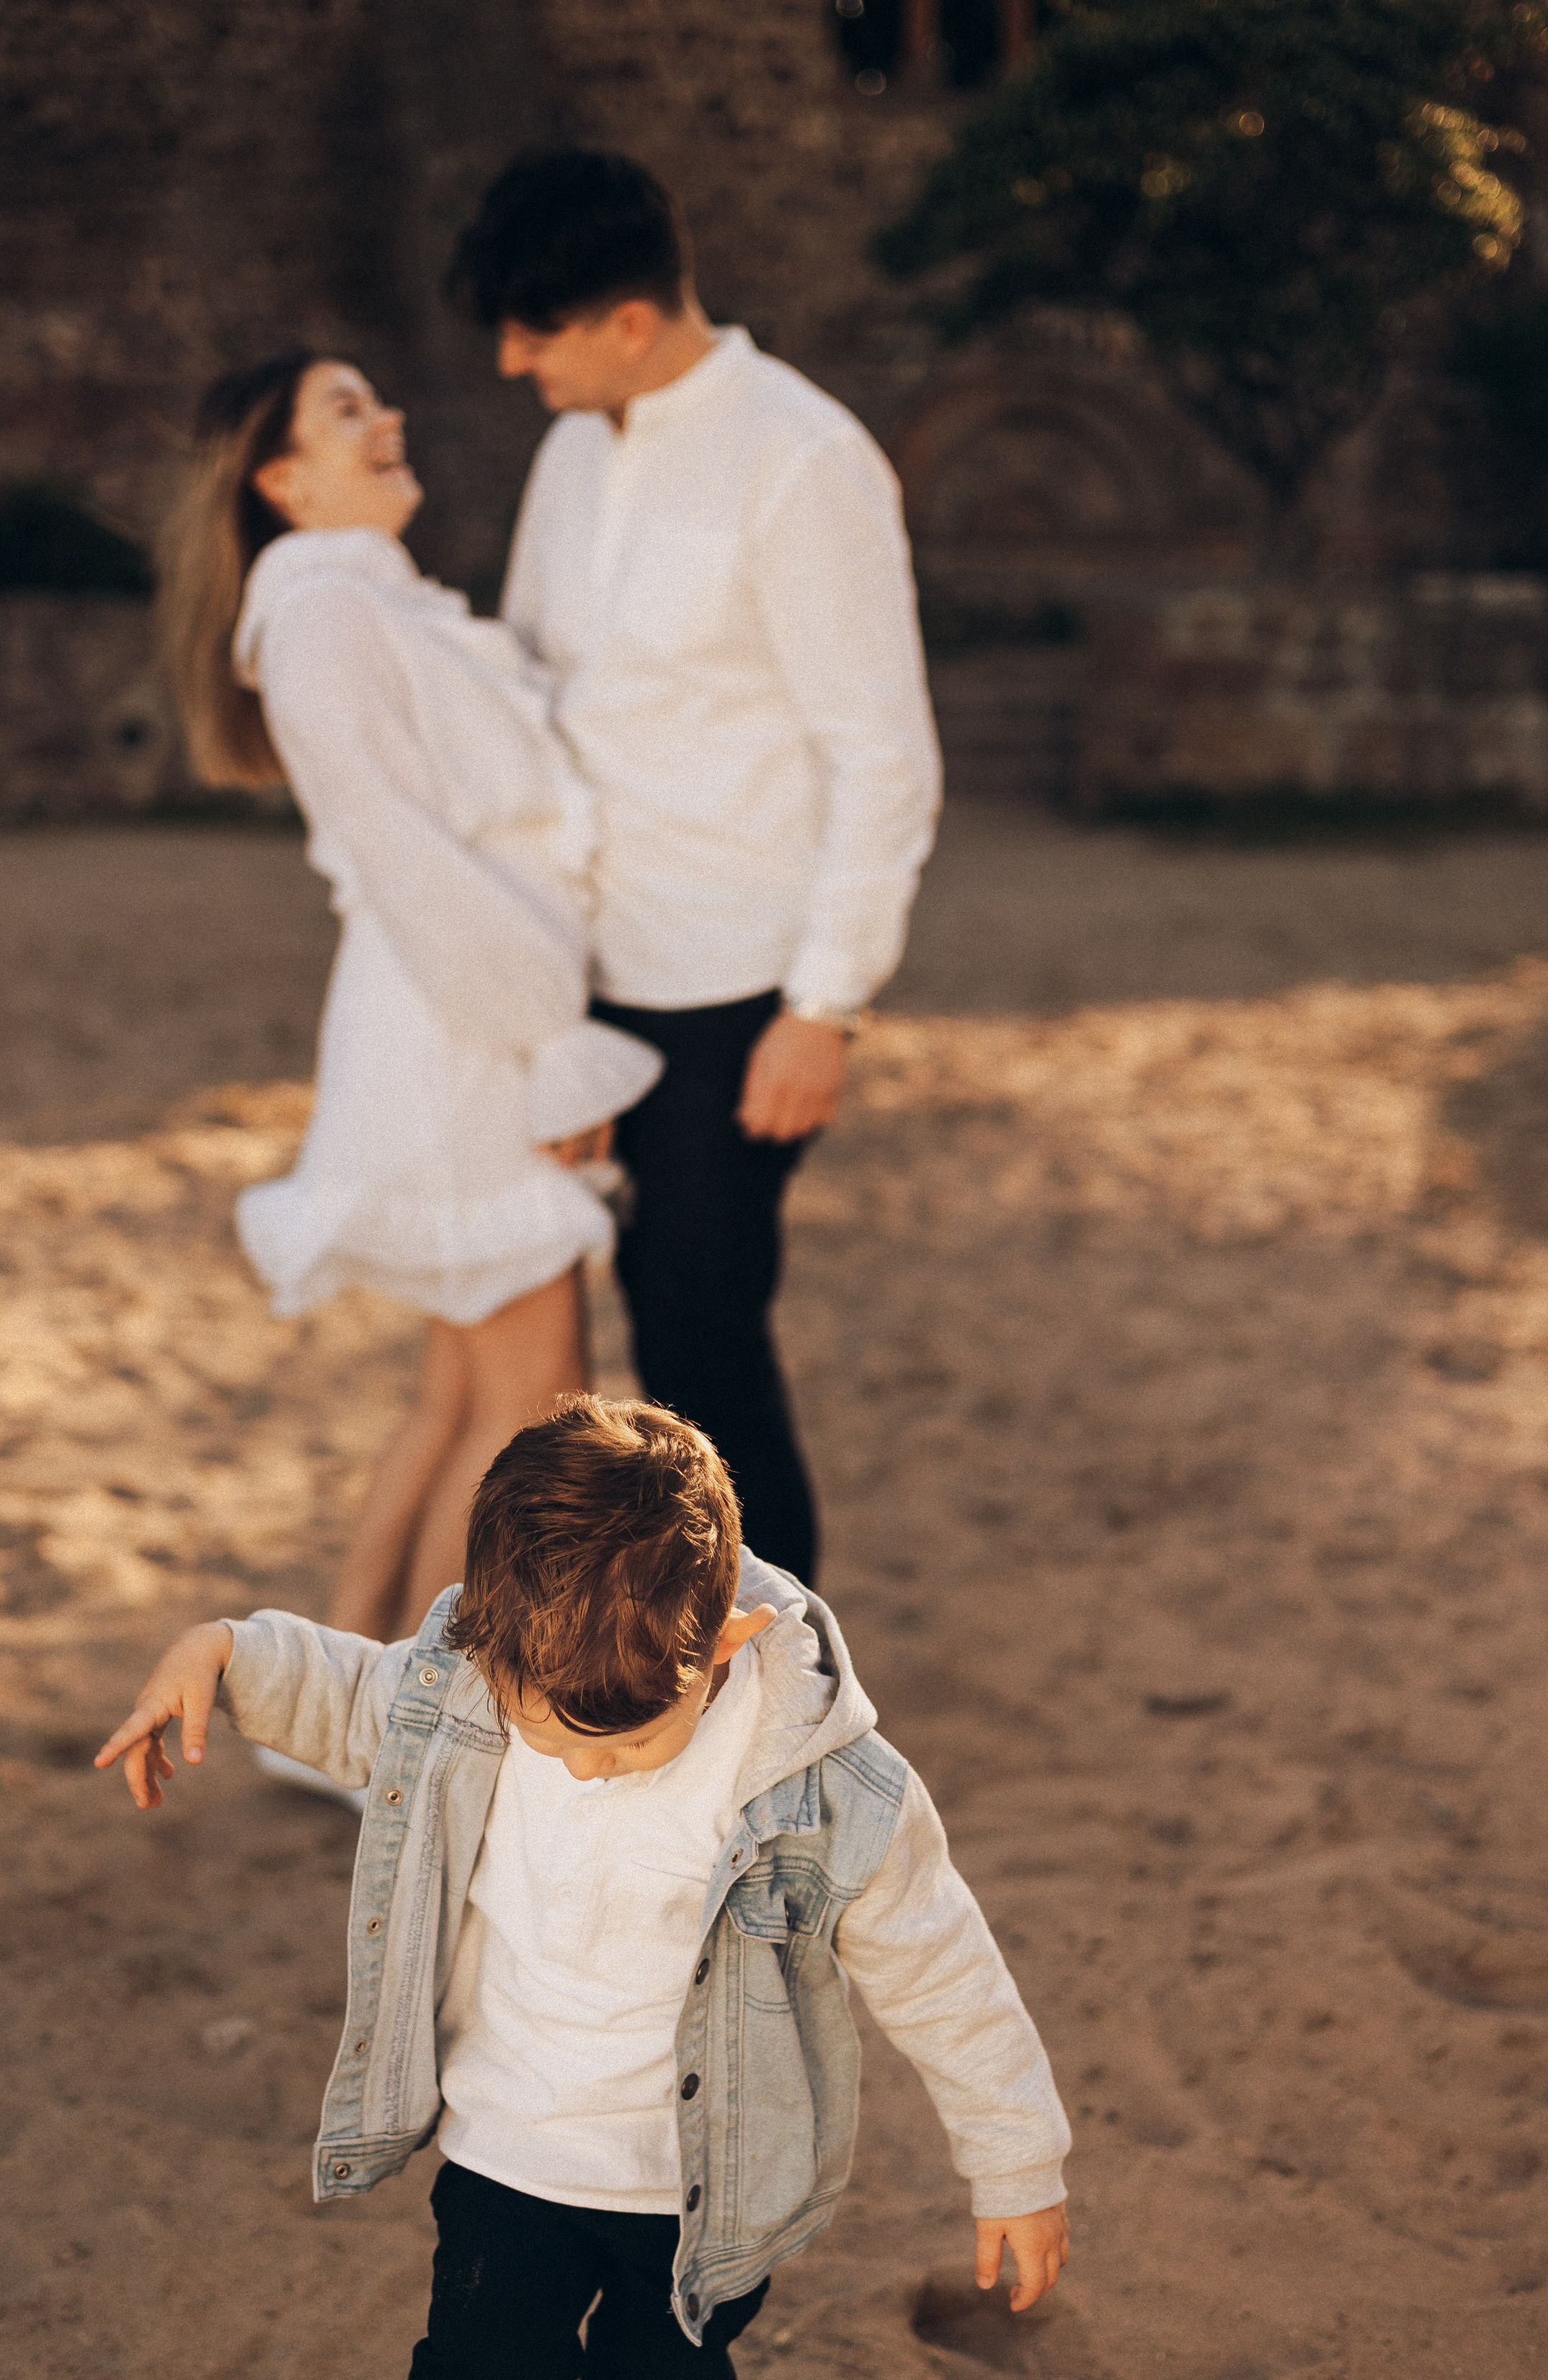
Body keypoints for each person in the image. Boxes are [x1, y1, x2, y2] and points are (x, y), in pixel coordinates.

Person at [95, 1396, 1070, 2380]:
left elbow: (940, 1963)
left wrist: (1017, 2160)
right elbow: (359, 1693)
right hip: (511, 2153)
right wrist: (222, 1651)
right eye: (554, 1732)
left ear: (725, 1643)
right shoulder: (485, 1684)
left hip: (702, 2197)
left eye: (625, 1745)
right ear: (492, 1644)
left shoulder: (825, 1786)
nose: (586, 1765)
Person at [447, 151, 943, 1587]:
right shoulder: (570, 450)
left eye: (534, 331)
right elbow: (534, 696)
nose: (510, 361)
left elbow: (882, 753)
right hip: (581, 974)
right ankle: (659, 1652)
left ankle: (782, 1674)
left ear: (629, 320)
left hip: (740, 988)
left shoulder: (803, 458)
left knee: (698, 1331)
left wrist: (824, 1006)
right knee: (600, 1339)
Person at [157, 352, 662, 1643]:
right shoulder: (322, 615)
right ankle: (431, 1715)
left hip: (468, 1002)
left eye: (377, 399)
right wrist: (550, 1041)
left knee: (456, 1396)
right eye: (347, 410)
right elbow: (404, 854)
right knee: (536, 1408)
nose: (388, 418)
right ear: (282, 479)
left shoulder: (370, 602)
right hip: (465, 1021)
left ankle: (361, 1710)